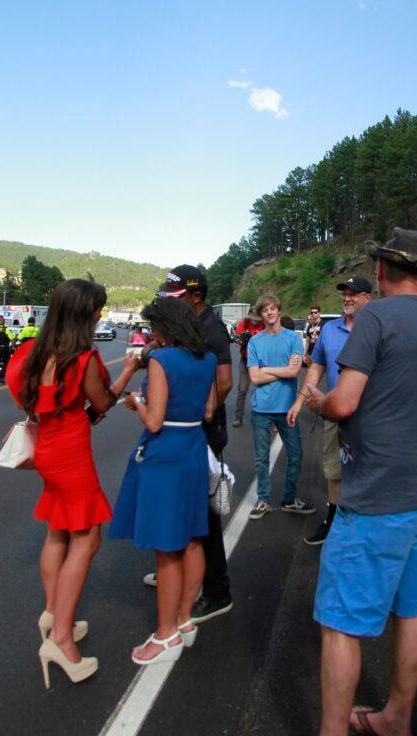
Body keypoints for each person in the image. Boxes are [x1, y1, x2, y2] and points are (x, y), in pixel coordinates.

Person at [304, 228, 417, 736]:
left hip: (377, 495)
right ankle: (396, 717)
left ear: (380, 271)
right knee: (410, 609)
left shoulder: (373, 317)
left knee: (340, 624)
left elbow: (344, 401)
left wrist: (320, 402)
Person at [5, 279, 136, 689]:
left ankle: (53, 614)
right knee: (88, 539)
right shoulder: (84, 359)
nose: (100, 314)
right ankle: (61, 640)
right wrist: (130, 367)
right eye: (98, 308)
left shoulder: (34, 351)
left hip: (46, 450)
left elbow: (23, 392)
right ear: (85, 314)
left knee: (58, 529)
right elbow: (101, 404)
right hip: (72, 456)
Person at [110, 297, 217, 664]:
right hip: (193, 448)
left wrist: (135, 401)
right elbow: (209, 409)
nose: (152, 333)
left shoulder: (161, 359)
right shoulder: (207, 359)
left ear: (165, 328)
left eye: (154, 326)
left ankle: (165, 634)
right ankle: (185, 619)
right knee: (191, 537)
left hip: (165, 453)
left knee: (166, 547)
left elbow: (154, 421)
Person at [143, 265, 236, 624]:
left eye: (177, 297)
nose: (172, 303)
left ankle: (217, 591)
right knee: (185, 509)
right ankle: (178, 572)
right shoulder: (189, 328)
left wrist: (195, 411)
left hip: (201, 431)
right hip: (189, 429)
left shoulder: (212, 329)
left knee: (206, 518)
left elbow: (224, 381)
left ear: (196, 297)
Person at [288, 276, 373, 546]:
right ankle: (333, 522)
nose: (347, 298)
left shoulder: (376, 329)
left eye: (354, 294)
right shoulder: (329, 329)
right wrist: (299, 401)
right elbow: (316, 369)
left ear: (367, 298)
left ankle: (363, 526)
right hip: (335, 414)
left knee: (367, 472)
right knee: (333, 471)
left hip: (369, 417)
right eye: (345, 294)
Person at [247, 293, 313, 519]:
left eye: (273, 308)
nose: (270, 313)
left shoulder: (293, 339)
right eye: (265, 310)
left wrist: (266, 369)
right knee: (261, 458)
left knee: (296, 455)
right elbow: (254, 379)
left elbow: (294, 371)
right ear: (261, 314)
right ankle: (263, 499)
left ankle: (288, 499)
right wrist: (280, 370)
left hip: (287, 408)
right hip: (261, 410)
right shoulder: (255, 342)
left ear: (279, 310)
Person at [232, 307, 264, 428]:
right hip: (245, 361)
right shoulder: (244, 323)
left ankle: (261, 417)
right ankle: (238, 417)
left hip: (261, 362)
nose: (255, 321)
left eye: (257, 319)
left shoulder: (265, 325)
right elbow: (237, 338)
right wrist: (241, 340)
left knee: (260, 390)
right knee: (242, 389)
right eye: (253, 319)